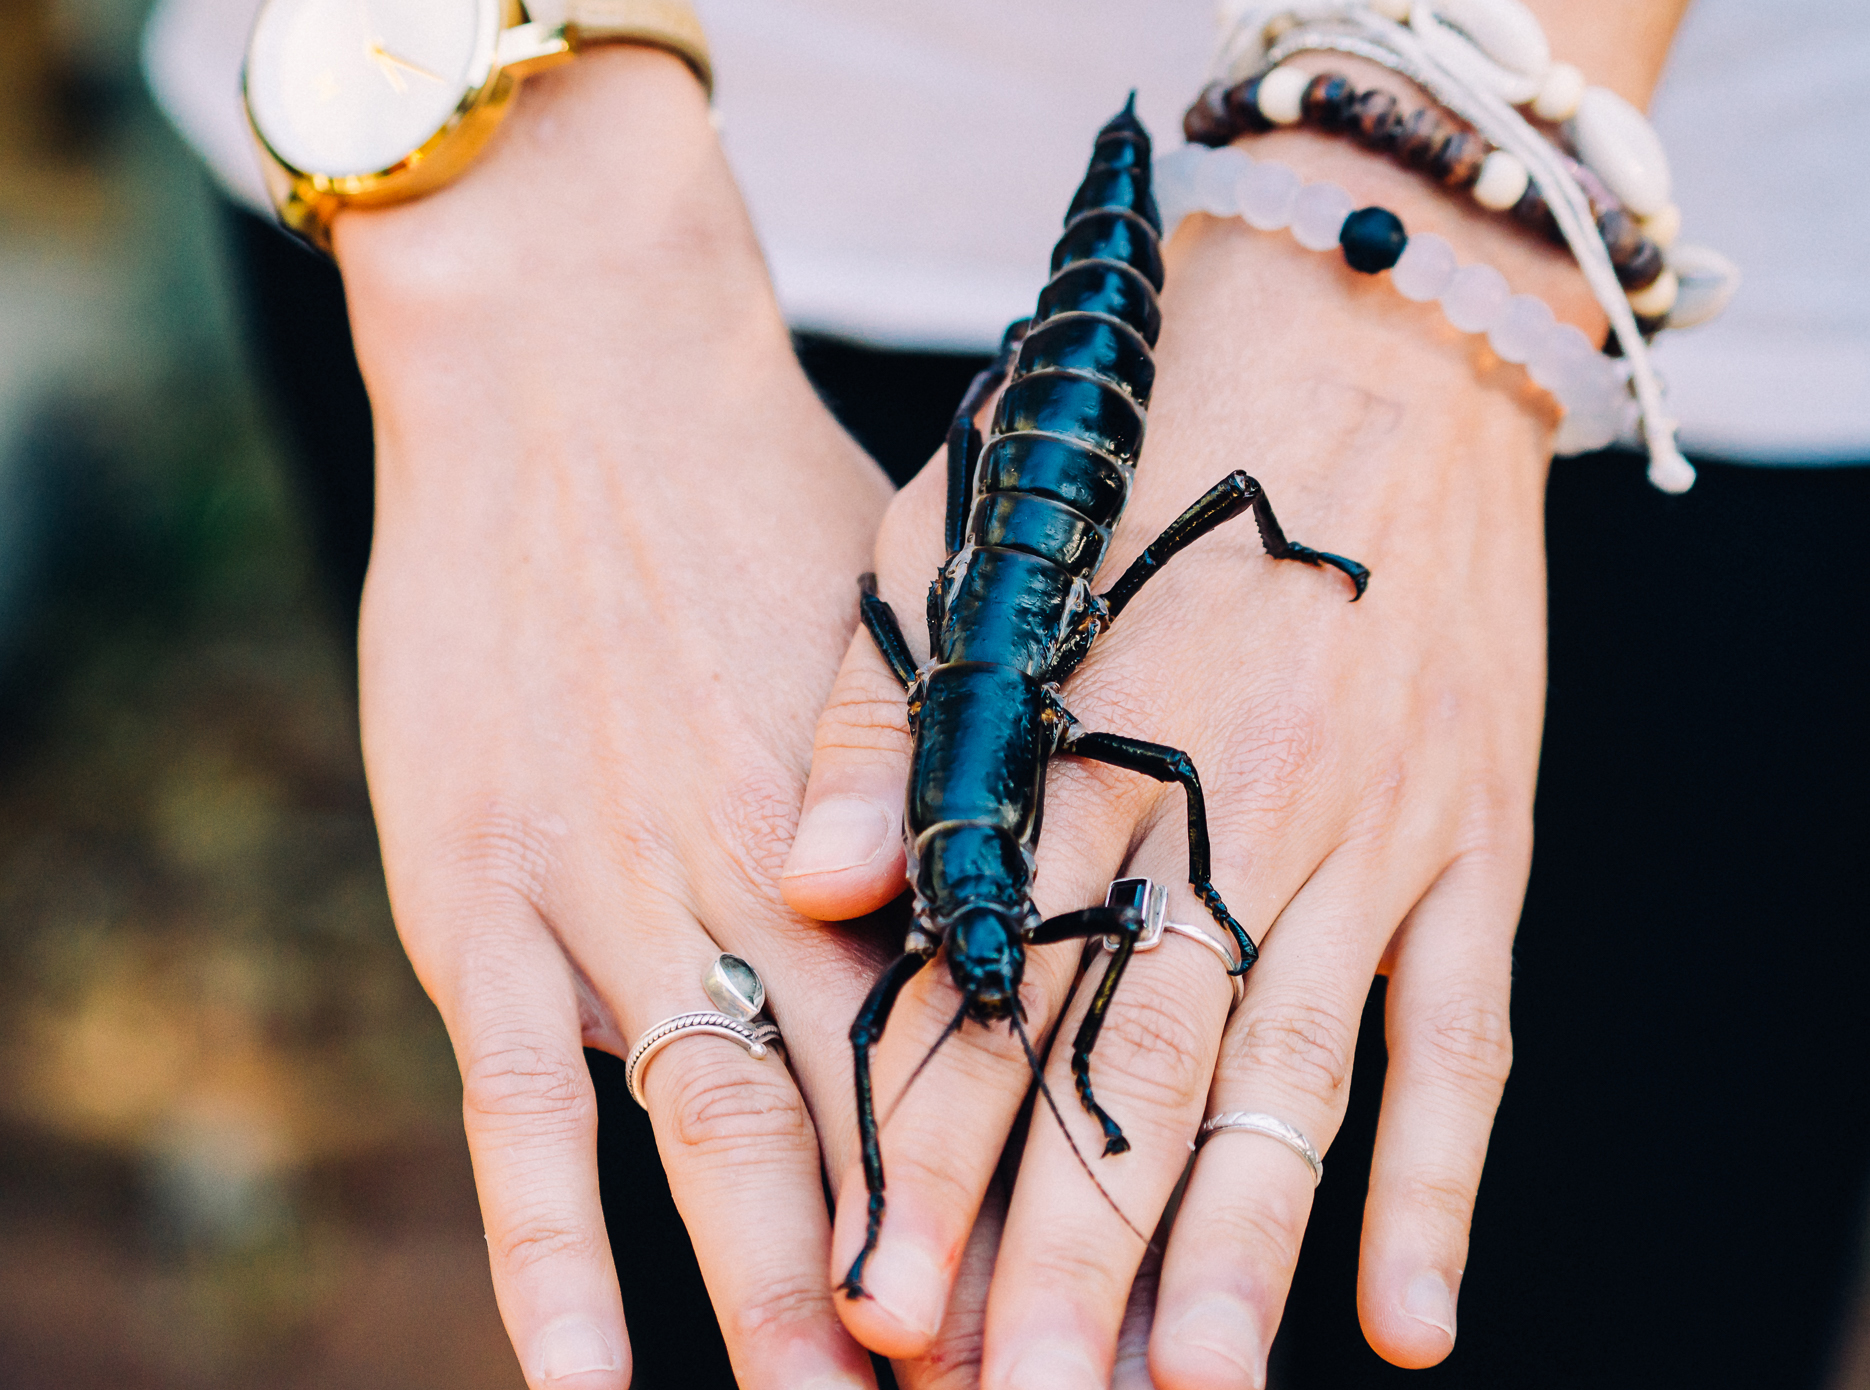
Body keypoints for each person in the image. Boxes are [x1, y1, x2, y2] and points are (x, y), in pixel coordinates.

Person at [141, 1, 1870, 1387]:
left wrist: (1439, 225)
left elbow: (1172, 787)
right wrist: (526, 230)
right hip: (509, 225)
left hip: (1598, 330)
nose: (980, 953)